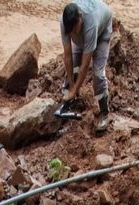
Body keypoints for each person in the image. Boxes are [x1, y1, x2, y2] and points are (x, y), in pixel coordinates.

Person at [60, 0, 113, 132]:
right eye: (70, 33)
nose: (72, 35)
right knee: (72, 68)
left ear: (80, 19)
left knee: (98, 74)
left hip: (102, 32)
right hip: (84, 35)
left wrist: (76, 88)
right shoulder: (64, 21)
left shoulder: (91, 24)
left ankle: (104, 113)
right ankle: (69, 104)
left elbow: (85, 64)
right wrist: (72, 85)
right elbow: (67, 55)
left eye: (74, 31)